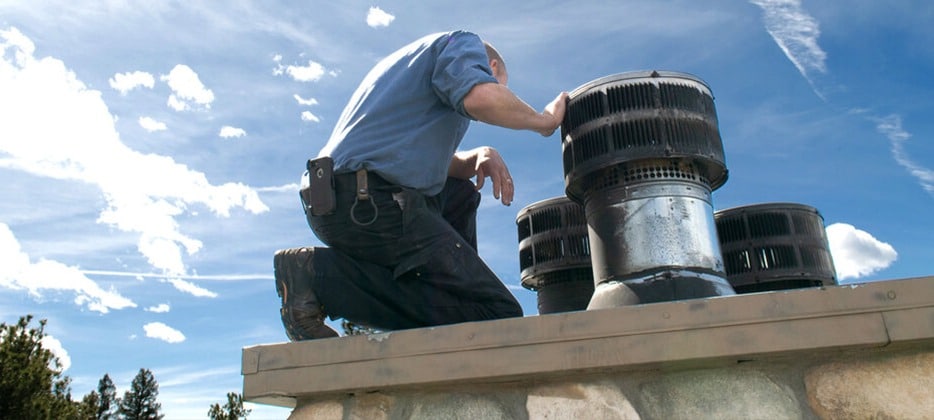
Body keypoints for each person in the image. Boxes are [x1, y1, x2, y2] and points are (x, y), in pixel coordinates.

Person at [274, 30, 568, 340]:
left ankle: (332, 278)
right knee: (496, 314)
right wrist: (543, 121)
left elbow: (410, 156)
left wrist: (479, 155)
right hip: (375, 201)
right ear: (490, 66)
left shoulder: (407, 68)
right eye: (494, 82)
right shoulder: (461, 43)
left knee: (461, 191)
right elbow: (482, 98)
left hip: (340, 200)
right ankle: (317, 278)